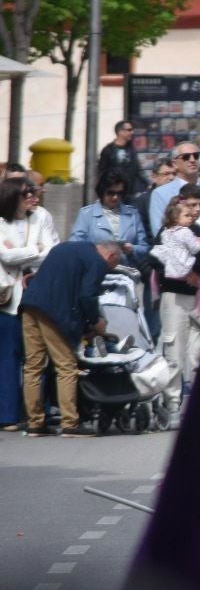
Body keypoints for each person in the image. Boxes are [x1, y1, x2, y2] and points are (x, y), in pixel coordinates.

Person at [18, 241, 122, 436]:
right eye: (111, 267)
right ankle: (70, 423)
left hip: (30, 304)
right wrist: (95, 321)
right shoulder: (97, 261)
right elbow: (87, 295)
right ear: (111, 256)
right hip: (55, 313)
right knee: (66, 366)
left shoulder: (64, 247)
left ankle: (35, 423)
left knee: (33, 366)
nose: (107, 270)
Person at [153, 186, 200, 421]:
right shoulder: (167, 231)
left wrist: (193, 270)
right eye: (191, 205)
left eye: (199, 205)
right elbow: (156, 261)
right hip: (174, 297)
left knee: (199, 354)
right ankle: (172, 406)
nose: (196, 210)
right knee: (174, 353)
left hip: (199, 299)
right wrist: (179, 273)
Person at [1, 180, 54, 431]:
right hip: (8, 298)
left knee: (36, 357)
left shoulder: (41, 216)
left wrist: (23, 252)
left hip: (36, 295)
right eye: (26, 194)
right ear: (12, 198)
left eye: (34, 192)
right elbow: (5, 256)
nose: (33, 197)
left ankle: (36, 414)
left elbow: (51, 251)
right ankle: (8, 415)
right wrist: (35, 249)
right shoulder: (1, 222)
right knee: (9, 357)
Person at [151, 197, 200, 329]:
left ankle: (154, 292)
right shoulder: (186, 232)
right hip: (184, 269)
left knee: (154, 269)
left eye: (191, 216)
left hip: (170, 270)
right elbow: (195, 249)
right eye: (186, 216)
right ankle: (197, 311)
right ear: (175, 217)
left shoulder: (166, 231)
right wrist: (199, 243)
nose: (190, 218)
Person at [70, 170, 149, 267]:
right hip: (96, 269)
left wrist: (132, 249)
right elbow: (74, 246)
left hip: (127, 271)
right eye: (111, 193)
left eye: (119, 193)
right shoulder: (86, 214)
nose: (115, 197)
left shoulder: (133, 214)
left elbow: (144, 248)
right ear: (102, 192)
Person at [148, 142, 200, 236]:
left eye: (196, 156)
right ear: (174, 164)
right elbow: (159, 232)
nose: (192, 160)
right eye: (186, 157)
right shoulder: (160, 194)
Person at [98, 119, 146, 200]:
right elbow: (102, 172)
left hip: (130, 194)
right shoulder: (108, 150)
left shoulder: (131, 150)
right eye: (129, 130)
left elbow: (138, 169)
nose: (132, 133)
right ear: (120, 132)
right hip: (114, 194)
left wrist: (148, 183)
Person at [135, 156, 176, 244]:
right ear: (154, 177)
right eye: (166, 174)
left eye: (174, 174)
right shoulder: (143, 201)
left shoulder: (180, 197)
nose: (171, 177)